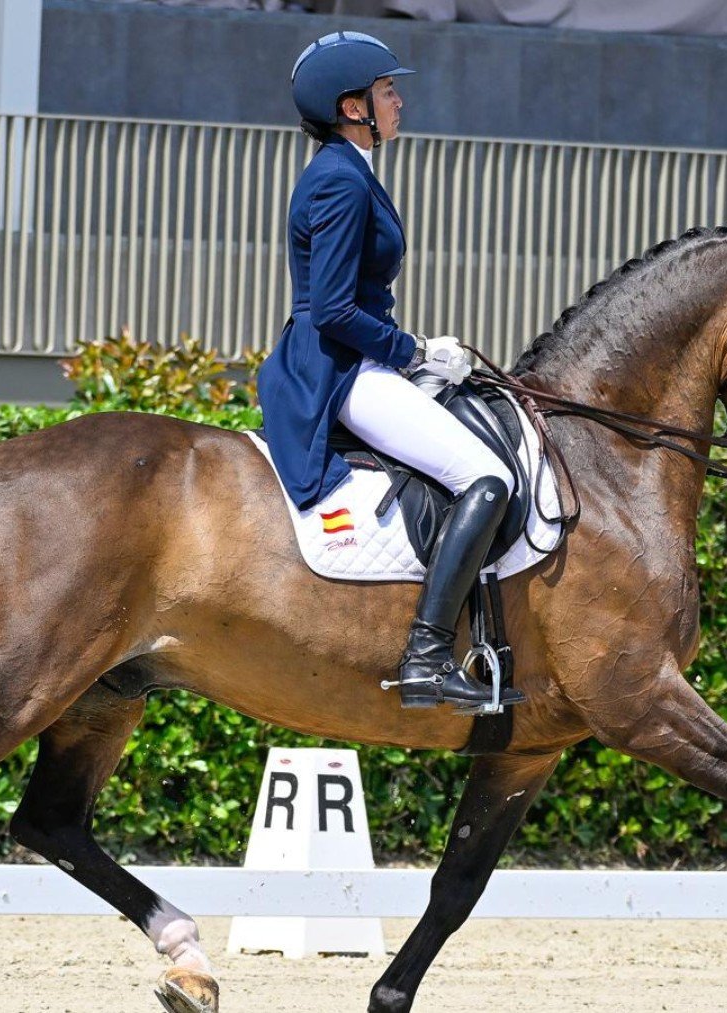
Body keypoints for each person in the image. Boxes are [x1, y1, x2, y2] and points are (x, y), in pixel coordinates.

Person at [257, 31, 523, 712]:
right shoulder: (340, 182)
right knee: (487, 478)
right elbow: (335, 309)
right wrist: (413, 351)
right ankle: (427, 657)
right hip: (341, 371)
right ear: (353, 107)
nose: (400, 99)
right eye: (387, 91)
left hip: (360, 360)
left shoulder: (351, 170)